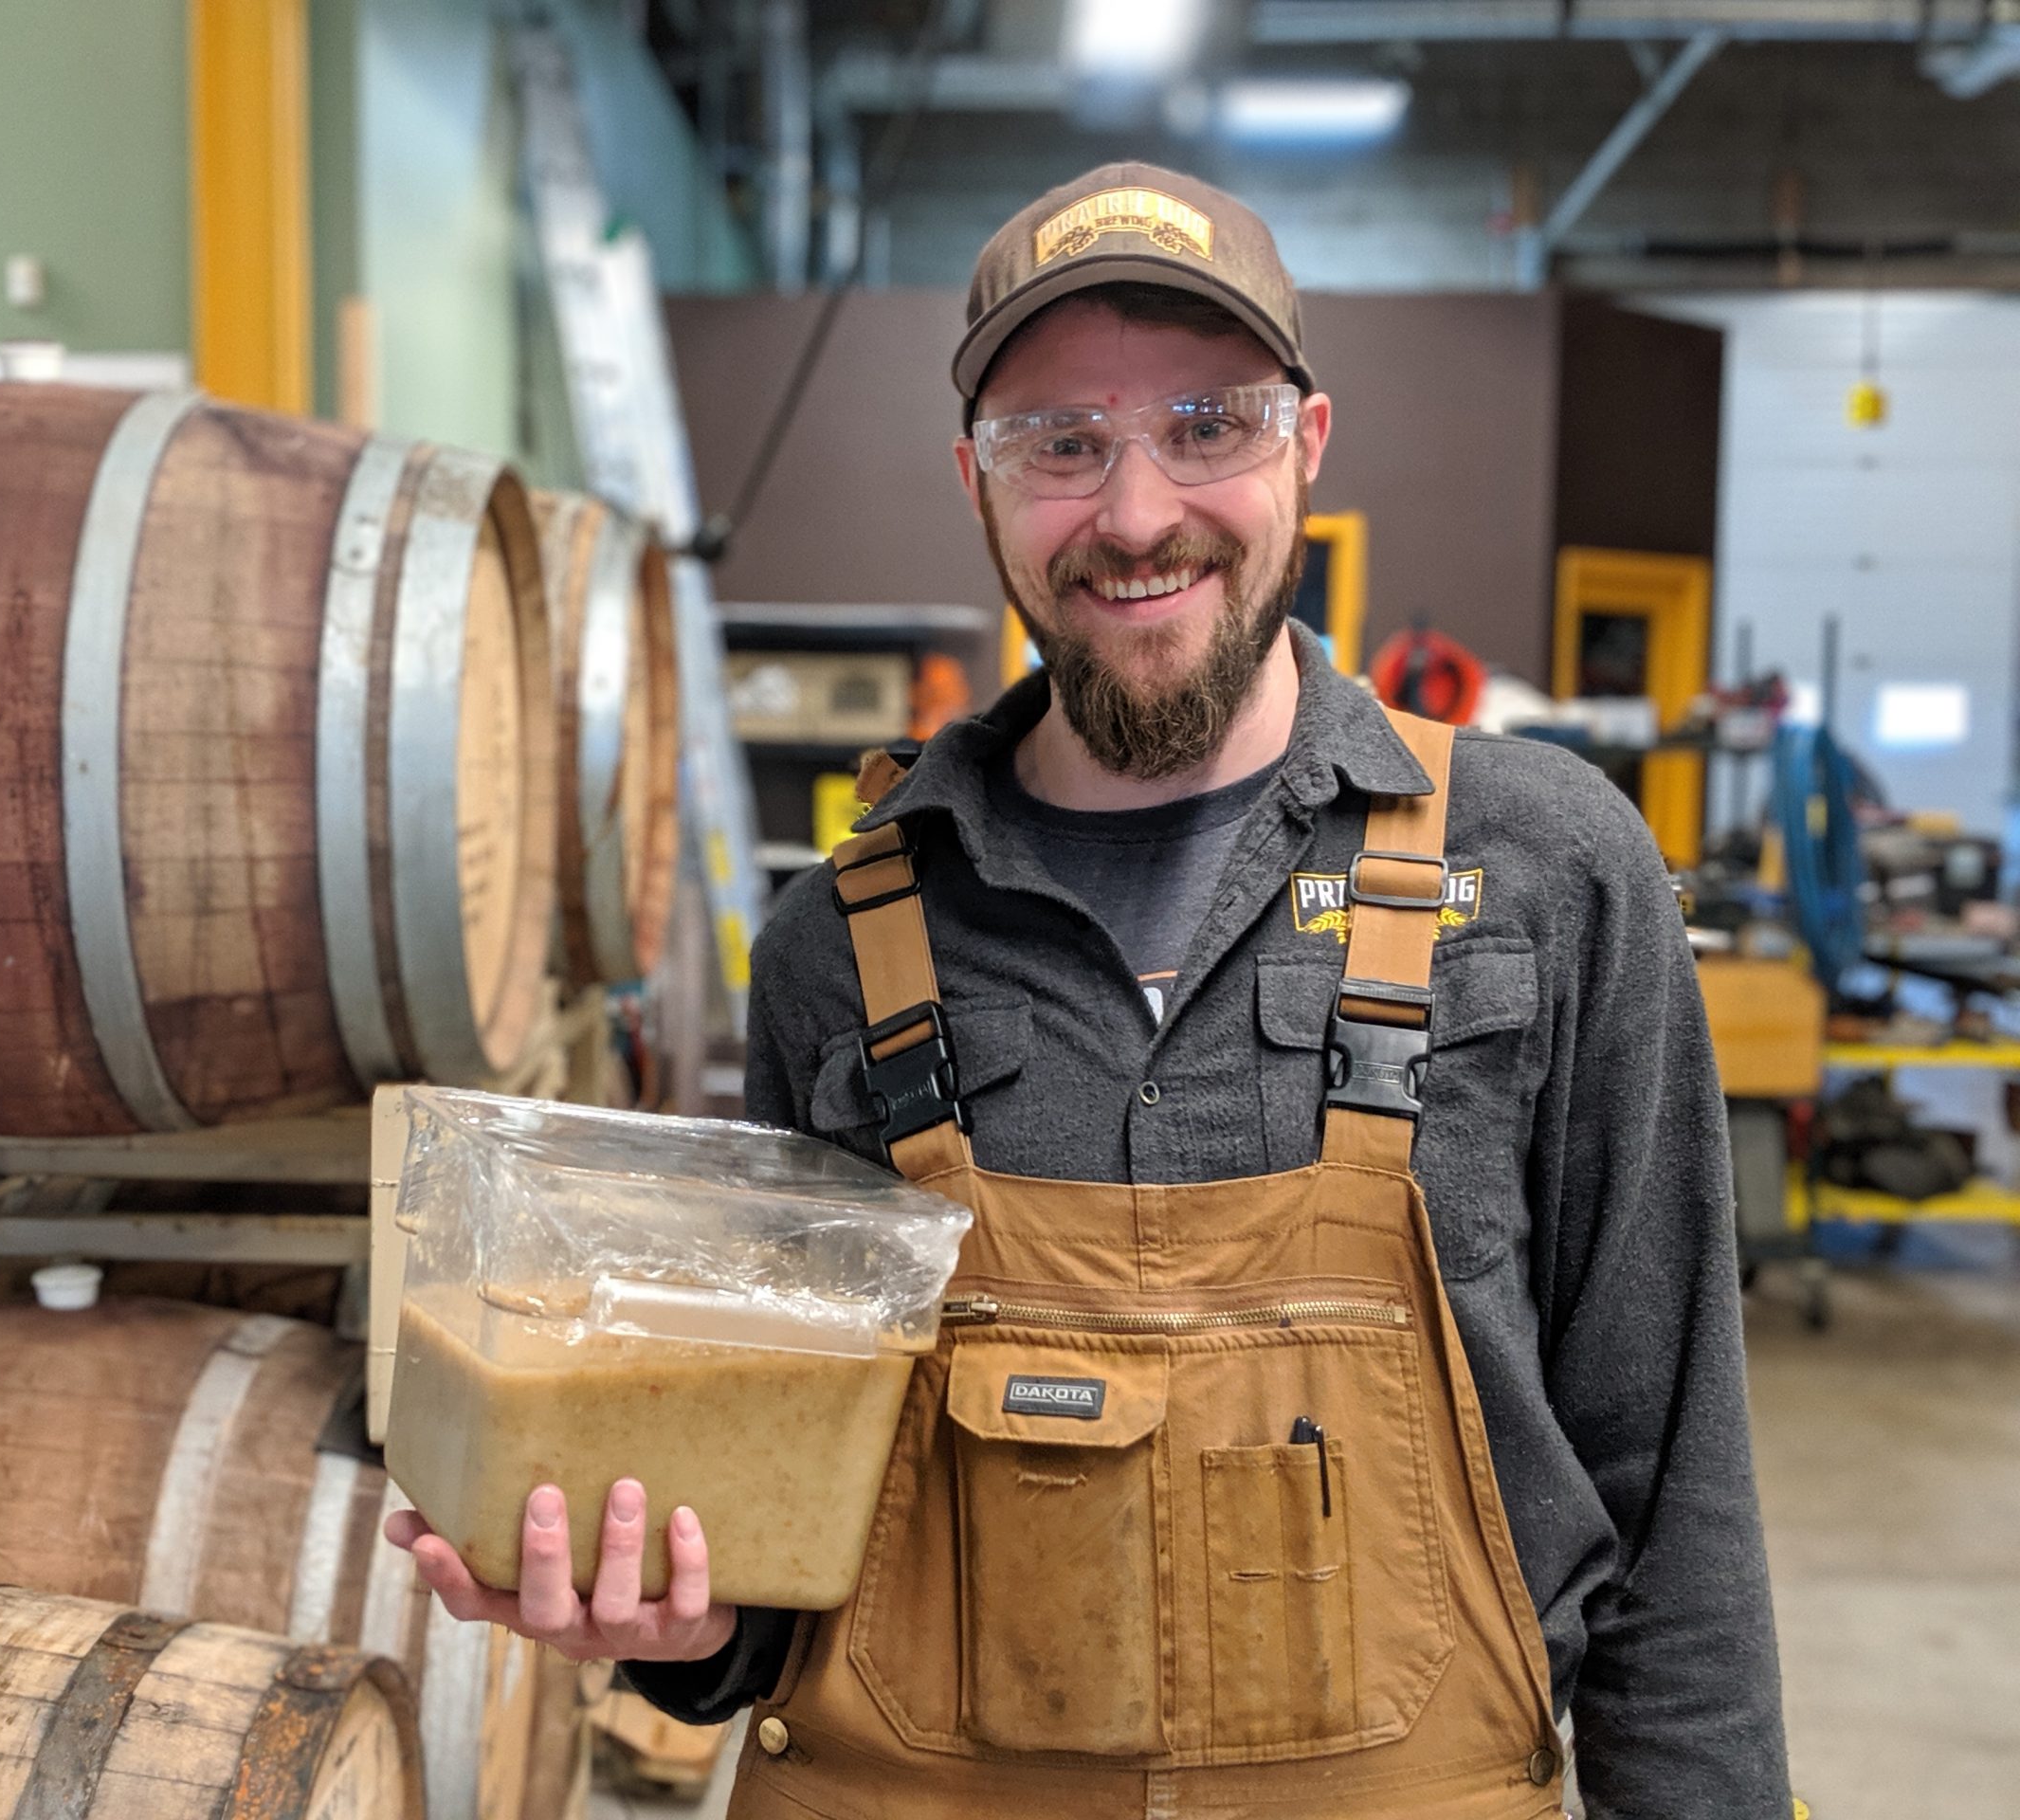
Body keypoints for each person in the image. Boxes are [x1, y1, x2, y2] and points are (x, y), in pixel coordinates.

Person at [389, 163, 1790, 1817]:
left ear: (1308, 444)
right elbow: (782, 1571)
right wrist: (676, 1624)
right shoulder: (838, 944)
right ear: (976, 489)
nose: (1135, 514)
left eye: (1209, 424)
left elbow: (1674, 1503)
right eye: (1062, 444)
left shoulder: (1548, 870)